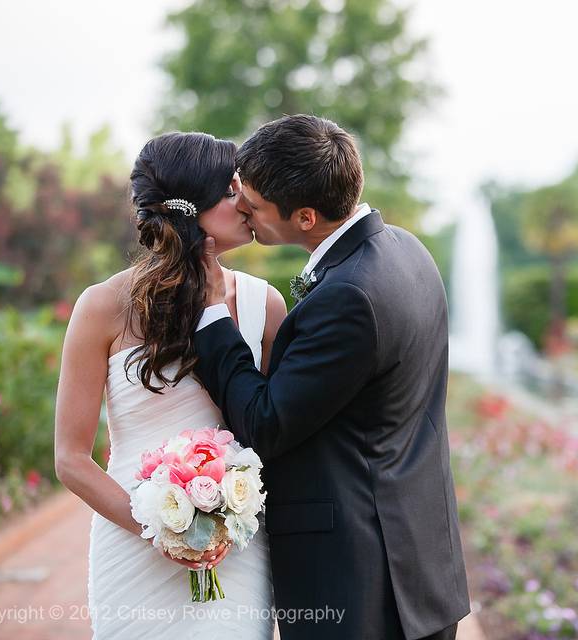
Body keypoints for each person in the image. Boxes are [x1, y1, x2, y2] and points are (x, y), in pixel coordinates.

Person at [193, 114, 470, 640]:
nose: (242, 207)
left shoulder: (348, 296)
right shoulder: (406, 250)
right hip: (423, 568)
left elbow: (265, 423)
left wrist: (214, 317)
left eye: (252, 201)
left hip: (359, 585)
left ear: (304, 216)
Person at [54, 132, 286, 639]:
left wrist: (218, 525)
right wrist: (162, 531)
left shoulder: (263, 305)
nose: (245, 200)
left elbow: (274, 430)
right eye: (231, 190)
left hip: (235, 549)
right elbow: (70, 458)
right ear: (191, 206)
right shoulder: (100, 307)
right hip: (132, 546)